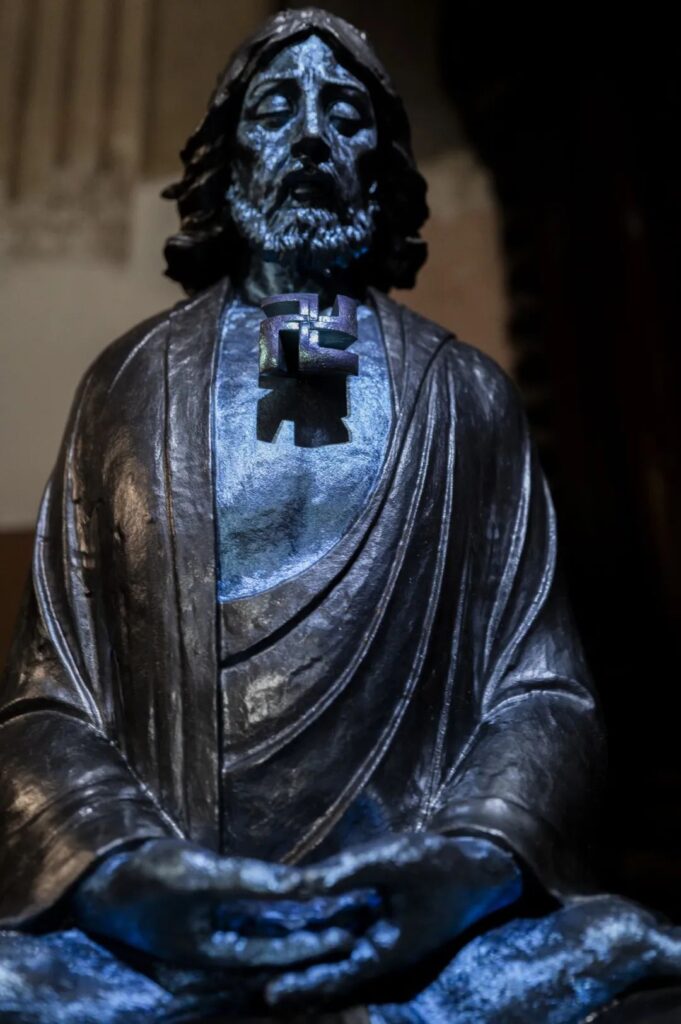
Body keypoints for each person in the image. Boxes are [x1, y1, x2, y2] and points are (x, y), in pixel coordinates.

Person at [1, 9, 679, 1023]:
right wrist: (122, 871)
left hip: (426, 939)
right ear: (228, 161)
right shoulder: (129, 391)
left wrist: (468, 859)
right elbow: (48, 706)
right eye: (277, 109)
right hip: (169, 934)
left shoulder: (466, 401)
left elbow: (545, 699)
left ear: (388, 168)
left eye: (348, 115)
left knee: (615, 966)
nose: (313, 134)